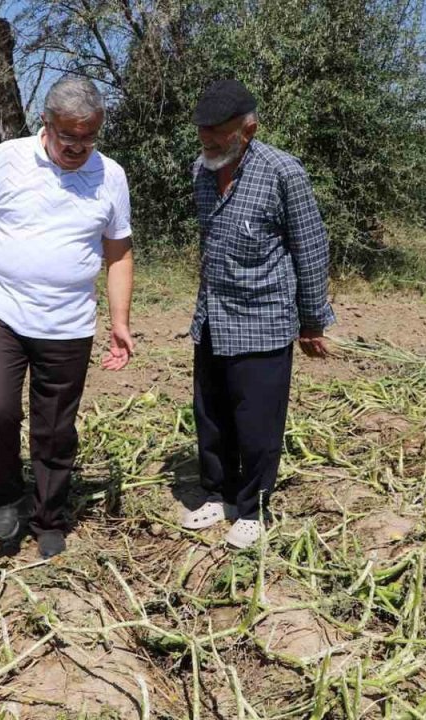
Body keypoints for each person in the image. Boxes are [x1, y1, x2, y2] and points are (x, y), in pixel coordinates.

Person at [0, 76, 135, 559]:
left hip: (69, 325)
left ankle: (50, 514)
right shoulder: (7, 158)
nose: (79, 147)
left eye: (89, 137)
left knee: (55, 428)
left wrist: (119, 320)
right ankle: (8, 492)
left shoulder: (110, 175)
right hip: (2, 312)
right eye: (69, 136)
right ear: (46, 125)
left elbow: (118, 253)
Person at [179, 79, 336, 549]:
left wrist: (311, 321)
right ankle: (218, 493)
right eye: (202, 134)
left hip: (264, 317)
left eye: (219, 135)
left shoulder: (283, 172)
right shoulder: (201, 171)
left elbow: (309, 247)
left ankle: (253, 507)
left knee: (257, 422)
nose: (207, 143)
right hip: (213, 316)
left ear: (248, 131)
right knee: (211, 414)